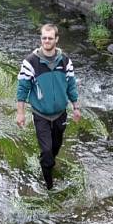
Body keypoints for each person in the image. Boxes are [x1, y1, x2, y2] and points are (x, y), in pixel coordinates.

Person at [16, 24, 81, 191]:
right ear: (41, 39)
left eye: (50, 38)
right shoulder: (30, 62)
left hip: (60, 114)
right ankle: (49, 186)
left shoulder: (65, 61)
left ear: (56, 40)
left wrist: (76, 107)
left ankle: (48, 164)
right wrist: (20, 113)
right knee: (46, 152)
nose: (46, 41)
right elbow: (22, 89)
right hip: (41, 115)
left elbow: (71, 85)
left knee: (55, 147)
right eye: (44, 38)